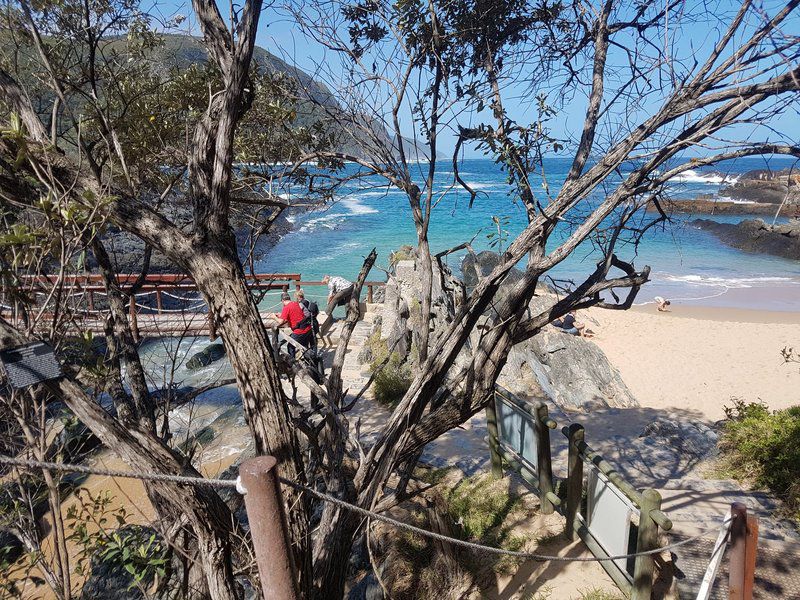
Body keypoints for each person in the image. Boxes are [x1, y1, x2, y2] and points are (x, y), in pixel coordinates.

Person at [274, 292, 312, 358]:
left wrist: (273, 317)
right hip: (307, 328)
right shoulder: (296, 303)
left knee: (290, 347)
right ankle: (309, 360)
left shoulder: (286, 307)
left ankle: (294, 363)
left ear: (282, 301)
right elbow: (293, 314)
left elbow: (280, 322)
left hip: (299, 331)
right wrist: (281, 315)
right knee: (304, 346)